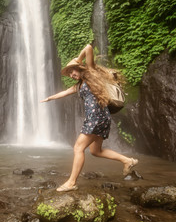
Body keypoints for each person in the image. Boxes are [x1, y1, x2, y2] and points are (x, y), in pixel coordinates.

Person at [40, 44, 138, 192]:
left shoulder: (91, 73)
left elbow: (88, 47)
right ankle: (127, 161)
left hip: (96, 117)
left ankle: (72, 182)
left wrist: (78, 60)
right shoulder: (78, 86)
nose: (71, 75)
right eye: (70, 75)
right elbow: (65, 92)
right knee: (95, 151)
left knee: (78, 147)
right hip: (100, 117)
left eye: (72, 71)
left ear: (78, 68)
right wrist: (48, 98)